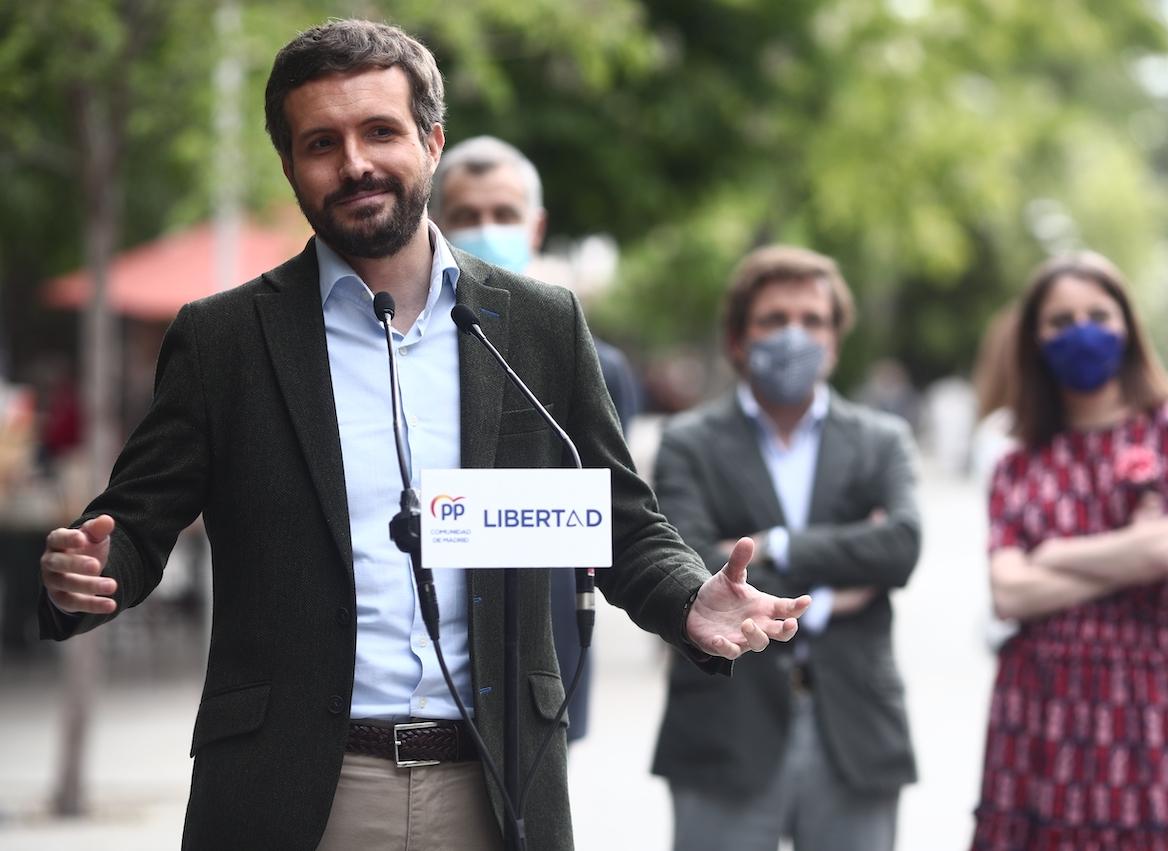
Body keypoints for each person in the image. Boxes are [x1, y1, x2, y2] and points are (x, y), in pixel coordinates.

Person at [36, 20, 810, 851]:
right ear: (291, 165)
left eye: (380, 131)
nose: (355, 162)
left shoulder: (539, 324)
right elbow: (135, 523)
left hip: (497, 780)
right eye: (321, 142)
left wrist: (690, 597)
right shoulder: (225, 340)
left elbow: (618, 518)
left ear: (432, 141)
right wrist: (81, 572)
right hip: (293, 789)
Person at [651, 245, 922, 851]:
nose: (795, 335)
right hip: (723, 727)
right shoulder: (687, 442)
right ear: (738, 339)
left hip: (855, 727)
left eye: (813, 321)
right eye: (775, 320)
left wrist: (770, 547)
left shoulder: (882, 440)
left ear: (835, 340)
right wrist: (840, 579)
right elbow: (688, 560)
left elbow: (900, 547)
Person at [971, 252, 1168, 850]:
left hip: (1152, 702)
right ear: (1034, 339)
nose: (1080, 330)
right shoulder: (1016, 455)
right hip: (1040, 709)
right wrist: (1128, 553)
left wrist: (1056, 552)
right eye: (1060, 320)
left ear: (1128, 325)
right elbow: (1009, 591)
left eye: (1097, 313)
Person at [430, 135, 642, 742]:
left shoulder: (597, 366)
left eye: (504, 214)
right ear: (437, 224)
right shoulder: (403, 351)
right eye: (468, 216)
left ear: (537, 226)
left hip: (544, 666)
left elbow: (617, 516)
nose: (486, 229)